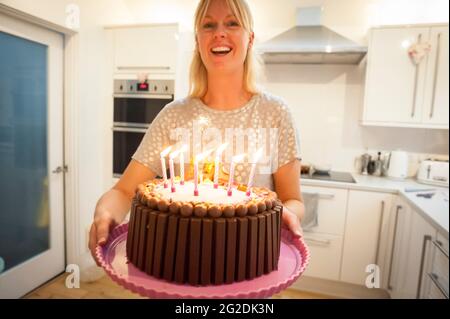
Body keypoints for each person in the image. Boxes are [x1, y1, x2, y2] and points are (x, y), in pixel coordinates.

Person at [89, 0, 305, 264]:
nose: (219, 33)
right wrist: (105, 212)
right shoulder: (173, 116)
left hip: (250, 264)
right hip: (180, 264)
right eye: (208, 25)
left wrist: (288, 214)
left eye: (232, 23)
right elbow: (123, 192)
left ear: (250, 38)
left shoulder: (275, 113)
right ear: (197, 41)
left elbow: (292, 199)